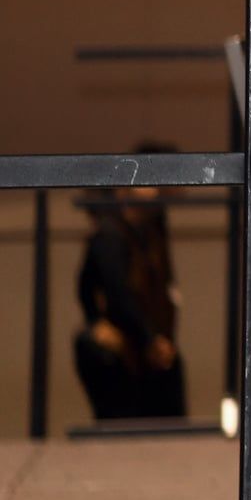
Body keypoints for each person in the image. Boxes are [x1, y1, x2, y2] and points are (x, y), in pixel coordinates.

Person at [73, 145, 186, 421]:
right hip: (125, 344)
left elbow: (159, 285)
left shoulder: (152, 226)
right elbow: (109, 289)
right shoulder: (111, 233)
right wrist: (99, 320)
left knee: (168, 384)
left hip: (148, 341)